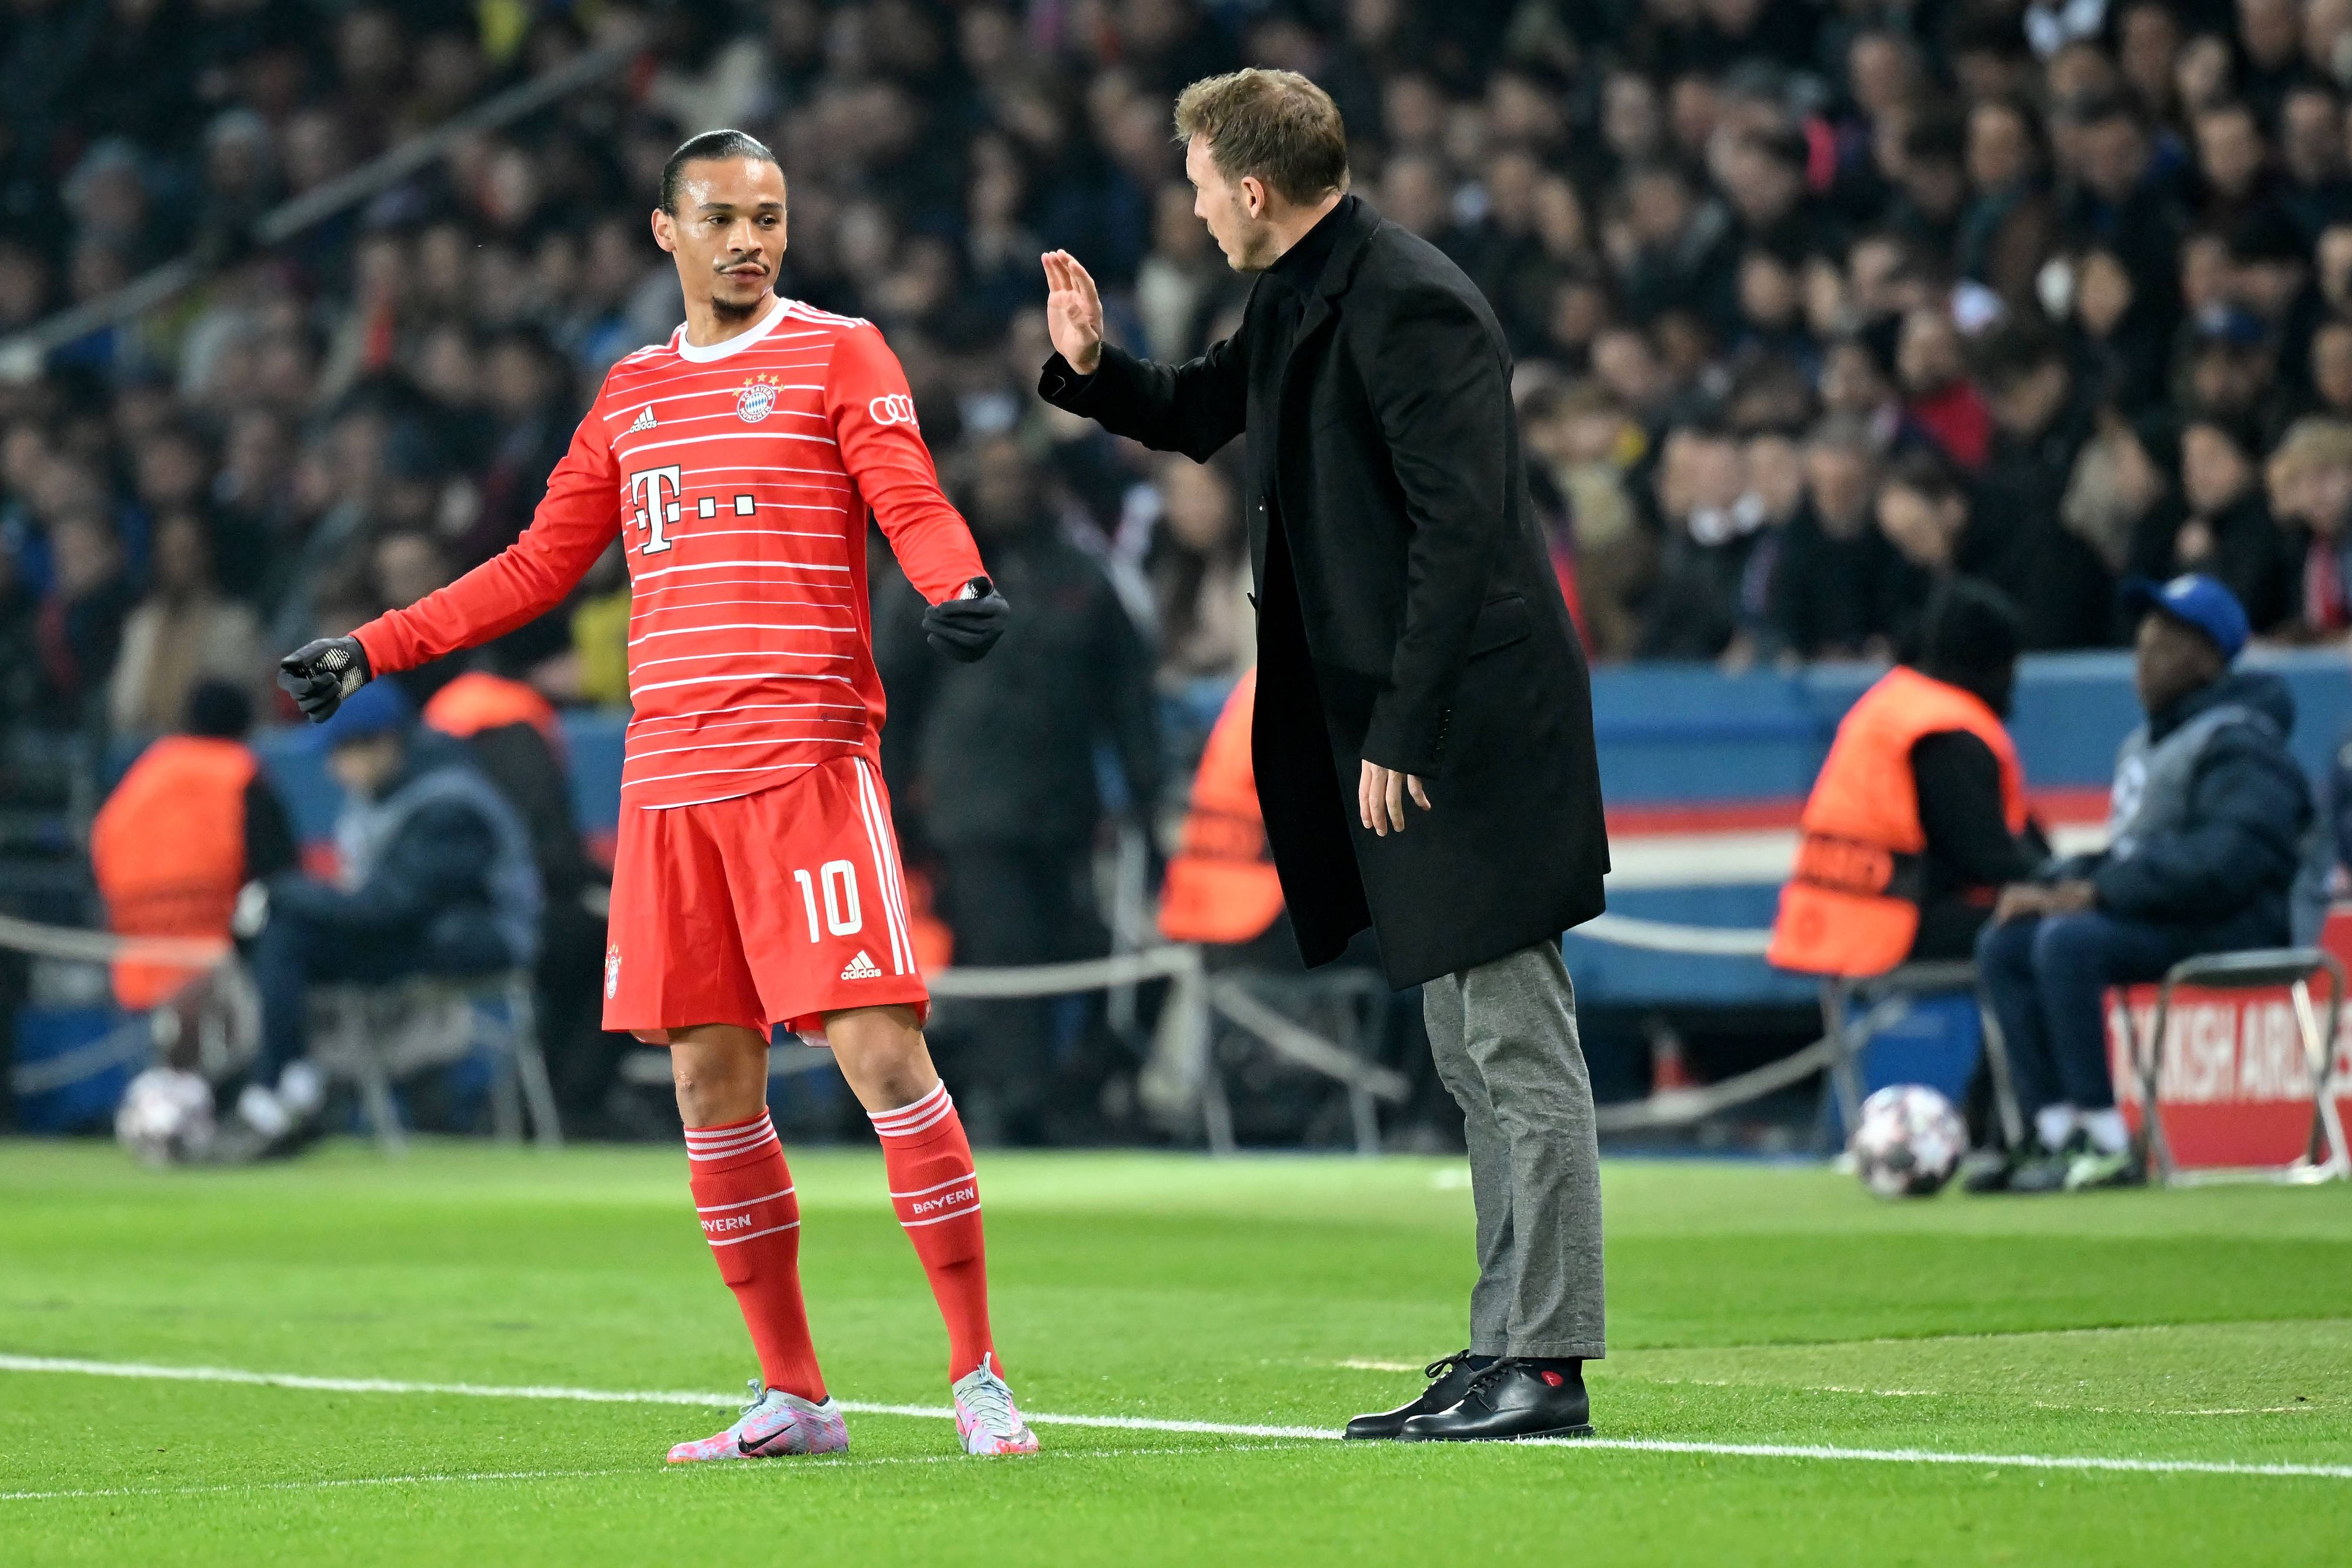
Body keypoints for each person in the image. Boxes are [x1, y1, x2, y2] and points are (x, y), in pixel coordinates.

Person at [275, 131, 1038, 1462]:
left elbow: (909, 498)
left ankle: (978, 1375)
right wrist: (377, 646)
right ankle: (793, 1394)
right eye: (722, 216)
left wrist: (955, 582)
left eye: (769, 216)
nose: (749, 239)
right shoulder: (630, 392)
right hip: (670, 781)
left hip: (805, 759)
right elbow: (536, 566)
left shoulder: (841, 352)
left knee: (879, 1054)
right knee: (707, 1081)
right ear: (665, 231)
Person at [1038, 69, 1609, 1442]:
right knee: (1467, 1052)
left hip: (1467, 728)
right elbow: (1197, 410)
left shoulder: (1407, 299)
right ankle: (1505, 1343)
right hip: (1411, 726)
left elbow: (1463, 534)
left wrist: (1406, 727)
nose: (1189, 208)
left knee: (1515, 1043)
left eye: (1197, 185)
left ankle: (1546, 1358)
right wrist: (1095, 366)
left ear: (1252, 188)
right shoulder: (1300, 291)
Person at [1972, 574, 2317, 1194]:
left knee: (2068, 942)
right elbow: (2131, 852)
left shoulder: (2241, 744)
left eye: (2162, 646)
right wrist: (2054, 883)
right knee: (2006, 943)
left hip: (2235, 923)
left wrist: (2103, 892)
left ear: (2207, 659)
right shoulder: (2147, 744)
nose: (2142, 661)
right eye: (2140, 644)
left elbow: (2223, 861)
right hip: (2165, 913)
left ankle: (2107, 1139)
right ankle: (2051, 1129)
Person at [874, 434, 1161, 1144]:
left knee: (1079, 950)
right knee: (1006, 951)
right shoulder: (929, 578)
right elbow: (890, 698)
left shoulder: (1081, 575)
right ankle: (1018, 1102)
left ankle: (1061, 1088)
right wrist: (893, 808)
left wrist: (1147, 798)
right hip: (968, 811)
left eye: (1017, 475)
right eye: (993, 476)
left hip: (1065, 808)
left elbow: (1128, 698)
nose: (1006, 489)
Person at [241, 680, 541, 1144]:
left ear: (383, 744)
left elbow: (395, 905)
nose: (334, 768)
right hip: (424, 930)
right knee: (288, 935)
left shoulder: (446, 800)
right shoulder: (379, 798)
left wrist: (285, 893)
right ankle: (289, 1080)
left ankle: (285, 1086)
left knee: (294, 927)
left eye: (342, 752)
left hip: (481, 934)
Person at [1768, 581, 2044, 978]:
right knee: (2052, 933)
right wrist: (2065, 884)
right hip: (1889, 927)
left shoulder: (1895, 707)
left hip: (1827, 919)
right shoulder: (1948, 732)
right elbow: (1988, 858)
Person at [91, 680, 296, 1013]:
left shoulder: (141, 777)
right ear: (245, 726)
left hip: (136, 968)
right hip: (218, 968)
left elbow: (101, 850)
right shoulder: (241, 775)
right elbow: (280, 874)